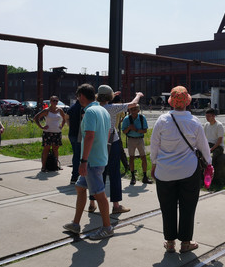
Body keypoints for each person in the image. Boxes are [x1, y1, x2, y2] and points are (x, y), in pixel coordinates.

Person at [151, 86, 212, 253]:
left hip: (164, 171)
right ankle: (186, 243)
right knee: (188, 206)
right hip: (189, 170)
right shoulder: (194, 122)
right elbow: (203, 146)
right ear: (187, 103)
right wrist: (209, 162)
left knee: (167, 206)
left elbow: (154, 144)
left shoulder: (162, 121)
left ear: (171, 102)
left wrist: (154, 163)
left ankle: (170, 242)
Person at [62, 83, 114, 240]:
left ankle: (107, 227)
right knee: (80, 187)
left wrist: (83, 161)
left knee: (99, 193)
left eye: (78, 97)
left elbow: (90, 136)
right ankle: (76, 223)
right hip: (98, 157)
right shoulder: (102, 110)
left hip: (92, 160)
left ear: (82, 96)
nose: (78, 99)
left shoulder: (90, 112)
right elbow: (108, 133)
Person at [89, 85, 144, 215]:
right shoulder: (112, 108)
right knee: (114, 174)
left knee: (97, 174)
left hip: (97, 143)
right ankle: (116, 205)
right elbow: (133, 104)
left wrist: (112, 95)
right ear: (110, 97)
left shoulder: (94, 107)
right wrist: (139, 95)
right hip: (111, 143)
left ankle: (92, 203)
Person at [122, 105, 153, 185]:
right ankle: (132, 177)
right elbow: (124, 131)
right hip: (131, 139)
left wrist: (135, 129)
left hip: (140, 139)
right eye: (131, 109)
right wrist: (129, 128)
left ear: (138, 110)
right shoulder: (126, 119)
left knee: (143, 157)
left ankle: (145, 176)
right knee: (131, 158)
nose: (133, 110)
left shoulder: (142, 118)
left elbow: (145, 130)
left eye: (135, 109)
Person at [34, 96, 66, 172]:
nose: (55, 102)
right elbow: (36, 118)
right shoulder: (47, 110)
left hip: (57, 132)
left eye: (56, 101)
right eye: (54, 101)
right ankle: (43, 167)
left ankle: (56, 166)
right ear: (50, 102)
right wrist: (41, 127)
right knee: (46, 149)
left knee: (55, 149)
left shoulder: (60, 110)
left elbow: (65, 118)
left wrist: (61, 125)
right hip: (48, 132)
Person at [66, 100, 82, 184]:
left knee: (76, 154)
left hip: (71, 134)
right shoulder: (83, 108)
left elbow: (66, 118)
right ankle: (76, 175)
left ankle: (74, 176)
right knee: (79, 156)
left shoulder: (72, 108)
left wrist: (70, 125)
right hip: (79, 135)